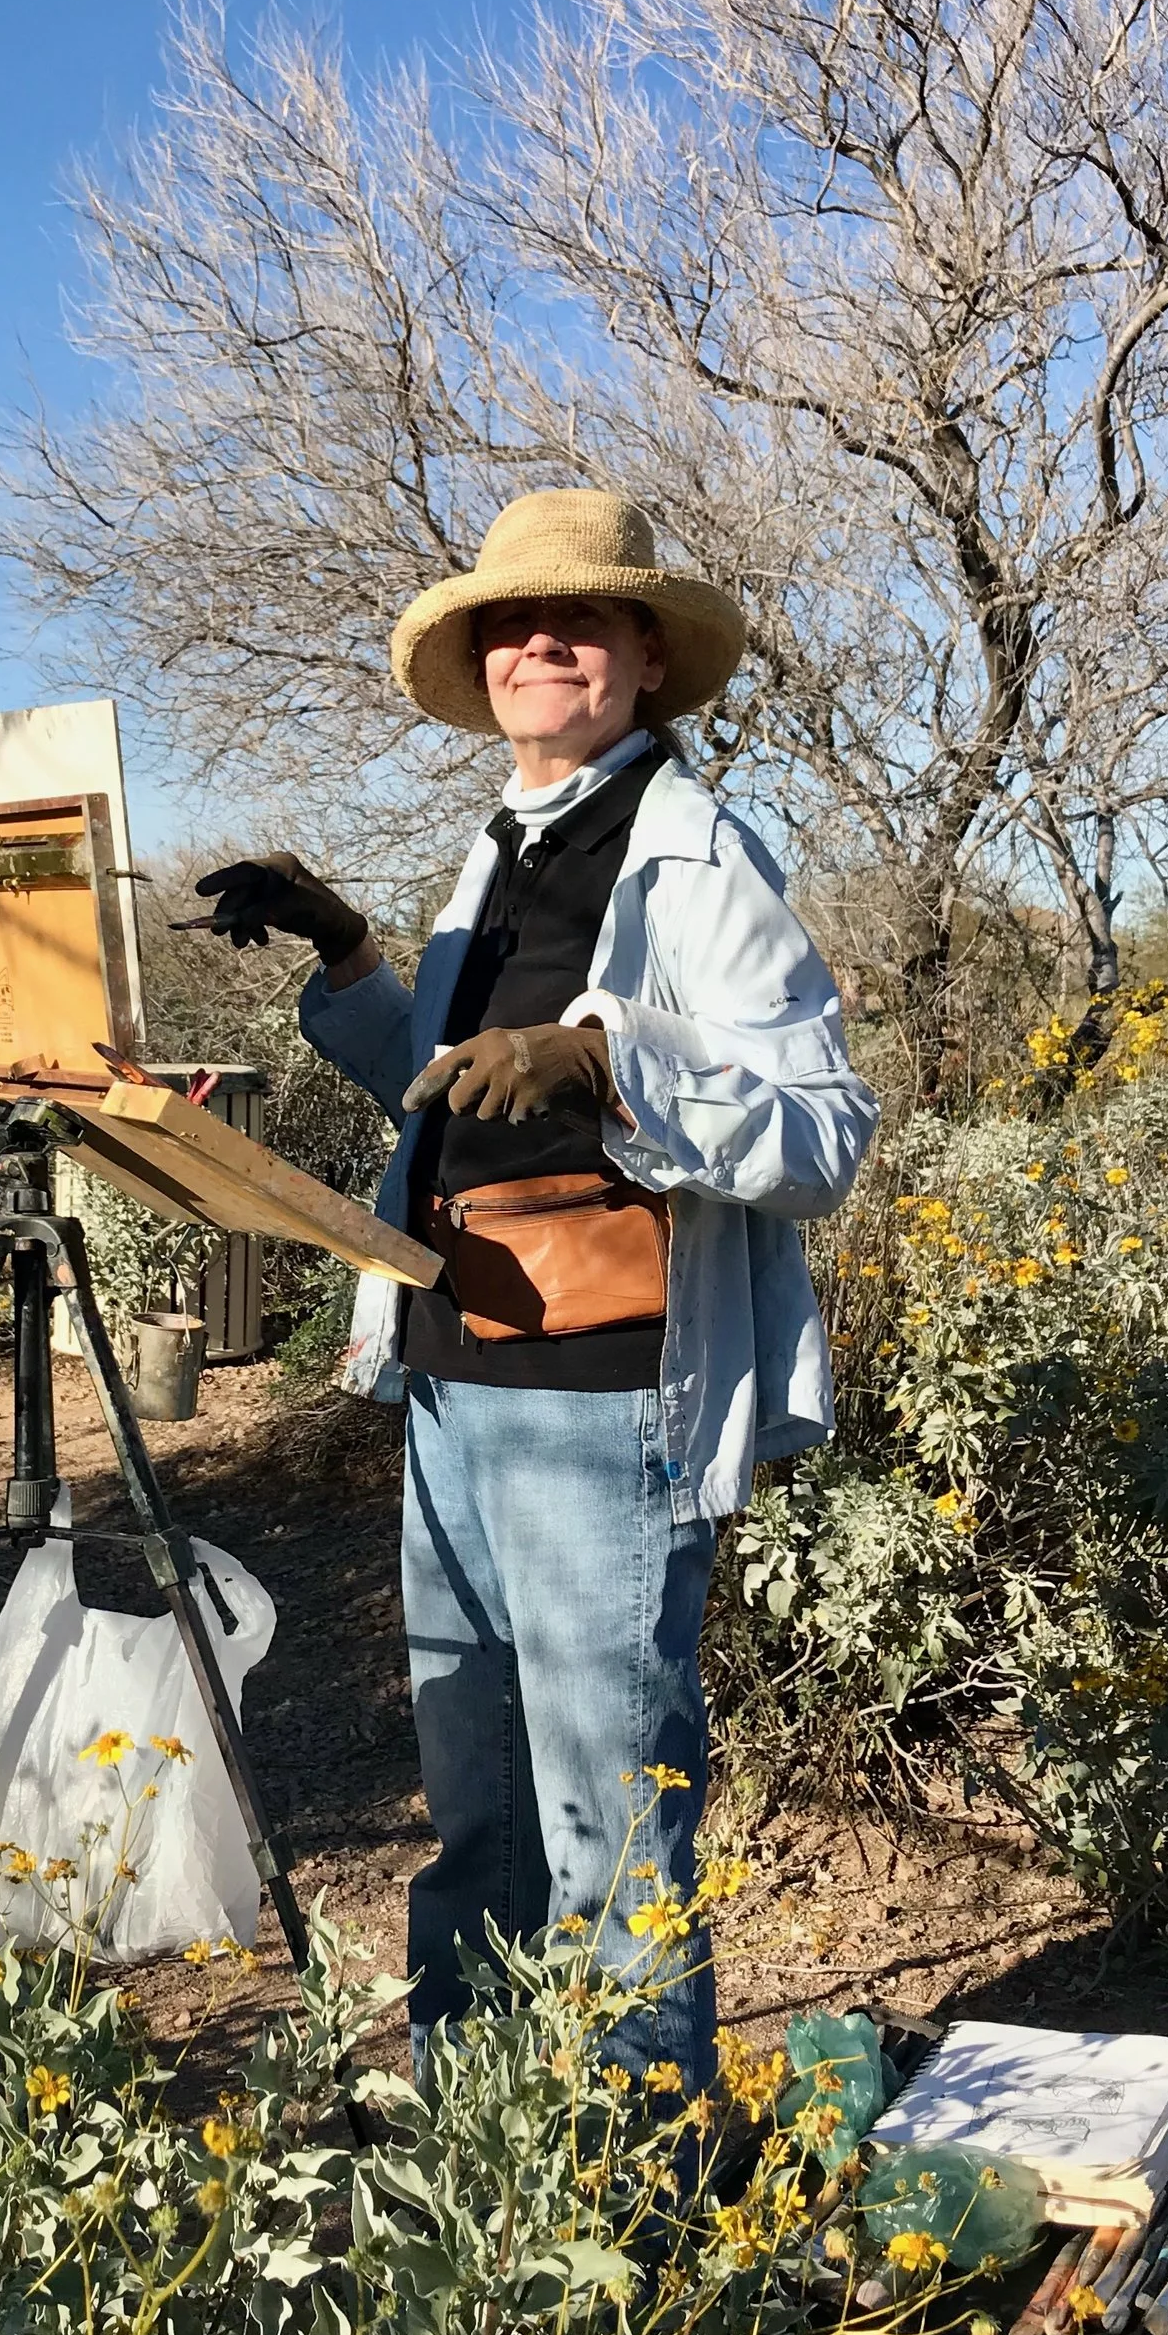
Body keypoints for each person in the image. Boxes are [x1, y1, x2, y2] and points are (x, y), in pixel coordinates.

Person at [196, 488, 878, 2087]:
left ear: (647, 659)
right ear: (481, 664)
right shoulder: (497, 852)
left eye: (579, 618)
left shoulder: (693, 853)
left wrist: (609, 1061)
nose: (539, 641)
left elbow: (823, 1136)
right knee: (484, 1809)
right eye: (509, 622)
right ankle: (474, 2157)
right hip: (450, 1372)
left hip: (604, 1396)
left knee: (608, 1825)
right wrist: (352, 959)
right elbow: (436, 1097)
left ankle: (629, 2208)